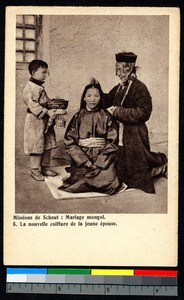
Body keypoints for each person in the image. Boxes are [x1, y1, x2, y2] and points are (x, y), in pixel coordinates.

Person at [99, 51, 167, 194]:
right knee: (118, 170)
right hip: (121, 135)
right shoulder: (119, 87)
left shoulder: (139, 87)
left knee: (137, 173)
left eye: (119, 69)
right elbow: (107, 101)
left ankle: (159, 166)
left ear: (128, 69)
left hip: (135, 135)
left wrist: (118, 112)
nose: (117, 73)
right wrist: (97, 89)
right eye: (116, 69)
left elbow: (144, 112)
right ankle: (156, 163)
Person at [58, 80, 124, 195]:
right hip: (83, 157)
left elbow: (112, 142)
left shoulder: (107, 117)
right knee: (79, 181)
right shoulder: (78, 117)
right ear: (84, 98)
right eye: (89, 96)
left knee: (109, 184)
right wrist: (84, 160)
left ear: (100, 98)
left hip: (103, 159)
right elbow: (69, 142)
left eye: (96, 96)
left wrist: (99, 162)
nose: (92, 99)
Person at [23, 59, 65, 181]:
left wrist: (53, 103)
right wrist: (47, 111)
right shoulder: (29, 88)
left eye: (46, 73)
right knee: (36, 145)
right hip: (35, 121)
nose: (45, 75)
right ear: (33, 72)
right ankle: (35, 170)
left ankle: (45, 167)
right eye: (43, 72)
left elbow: (45, 101)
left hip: (45, 120)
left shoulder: (40, 87)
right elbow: (33, 105)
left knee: (47, 143)